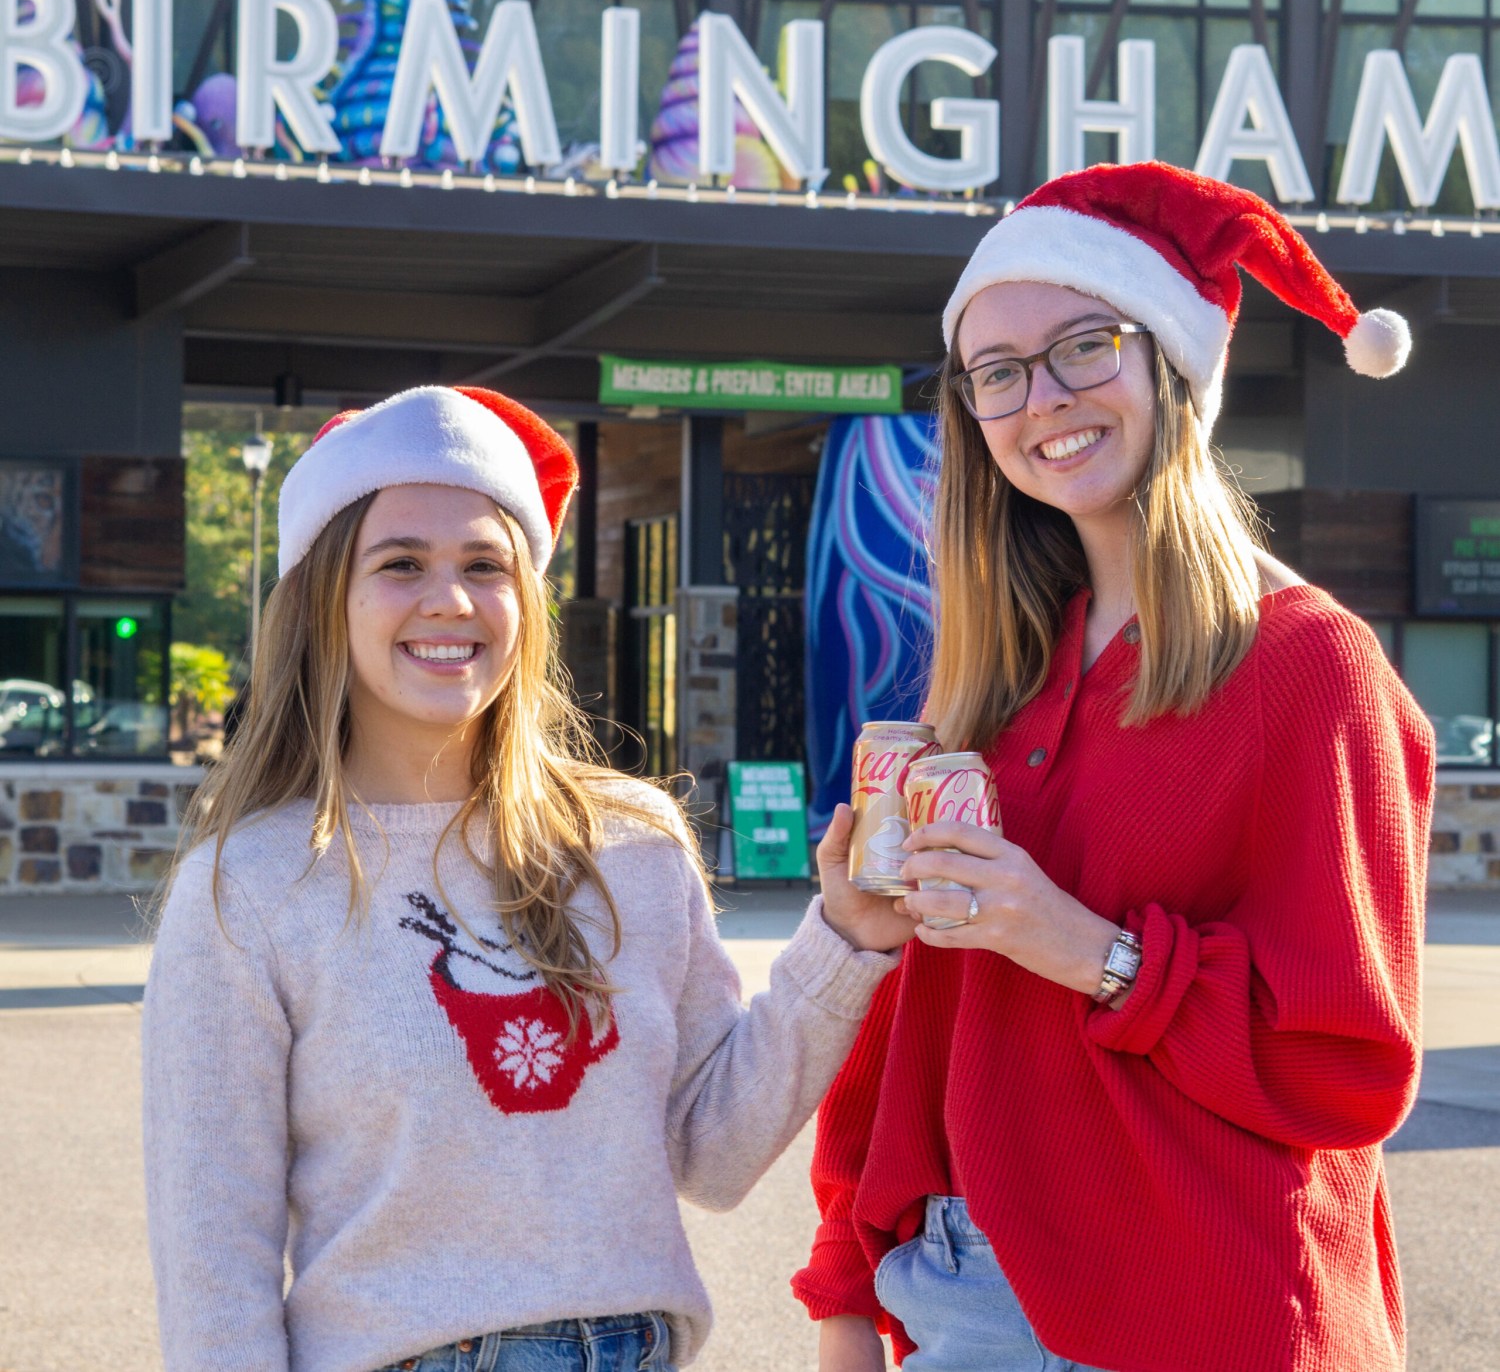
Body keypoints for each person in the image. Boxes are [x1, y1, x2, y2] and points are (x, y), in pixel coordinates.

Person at [793, 162, 1435, 1372]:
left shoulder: (1312, 668)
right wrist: (845, 1293)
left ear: (1171, 367)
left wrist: (1085, 947)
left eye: (1086, 345)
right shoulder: (990, 678)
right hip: (962, 1296)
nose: (1044, 397)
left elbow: (1346, 1066)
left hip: (1212, 1312)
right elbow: (913, 1034)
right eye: (998, 372)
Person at [142, 384, 908, 1372]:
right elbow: (214, 1263)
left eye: (483, 565)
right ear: (326, 597)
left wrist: (843, 942)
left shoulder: (635, 842)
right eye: (400, 563)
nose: (449, 598)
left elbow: (711, 1151)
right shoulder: (248, 886)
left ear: (527, 601)